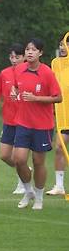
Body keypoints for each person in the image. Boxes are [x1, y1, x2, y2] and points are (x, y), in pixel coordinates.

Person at [11, 38, 62, 210]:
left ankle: (39, 198)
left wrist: (36, 98)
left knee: (39, 162)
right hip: (22, 122)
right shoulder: (19, 69)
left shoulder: (47, 72)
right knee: (19, 159)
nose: (30, 52)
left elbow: (58, 97)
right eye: (27, 49)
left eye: (34, 49)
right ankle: (28, 190)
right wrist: (14, 92)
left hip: (42, 125)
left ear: (40, 53)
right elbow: (17, 88)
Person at [0, 43, 26, 194]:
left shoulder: (29, 72)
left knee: (17, 155)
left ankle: (22, 182)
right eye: (12, 57)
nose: (14, 60)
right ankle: (26, 170)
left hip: (24, 120)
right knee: (4, 155)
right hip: (8, 120)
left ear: (24, 57)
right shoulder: (4, 73)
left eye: (17, 57)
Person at [49, 38, 69, 196]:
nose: (63, 47)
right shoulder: (56, 63)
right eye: (61, 44)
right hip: (63, 116)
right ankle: (59, 185)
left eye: (66, 44)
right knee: (59, 149)